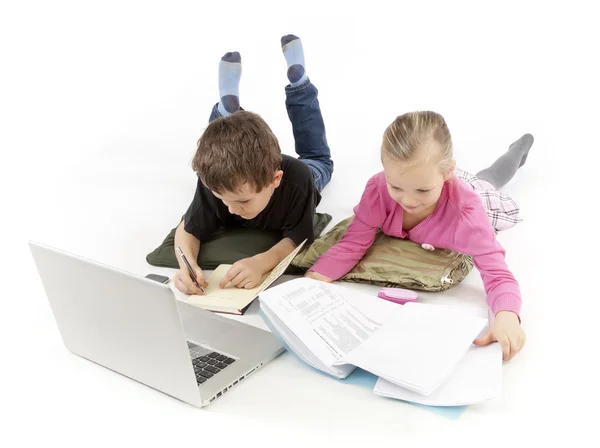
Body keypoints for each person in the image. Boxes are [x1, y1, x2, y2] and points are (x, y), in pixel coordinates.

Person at [306, 111, 534, 361]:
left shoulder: (468, 215)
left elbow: (498, 275)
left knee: (489, 178)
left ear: (448, 172)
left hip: (476, 196)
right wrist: (316, 277)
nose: (408, 201)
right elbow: (353, 242)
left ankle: (517, 150)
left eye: (421, 190)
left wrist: (507, 316)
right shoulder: (378, 188)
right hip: (436, 178)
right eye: (396, 187)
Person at [174, 35, 333, 296]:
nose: (231, 210)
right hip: (244, 165)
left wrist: (261, 262)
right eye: (223, 200)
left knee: (317, 159)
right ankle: (227, 114)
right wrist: (186, 265)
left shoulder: (297, 181)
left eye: (243, 202)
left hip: (303, 172)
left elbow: (298, 239)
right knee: (225, 139)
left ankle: (300, 84)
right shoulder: (217, 180)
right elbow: (186, 229)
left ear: (275, 179)